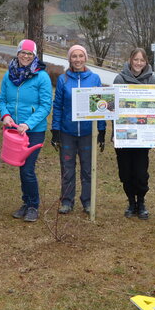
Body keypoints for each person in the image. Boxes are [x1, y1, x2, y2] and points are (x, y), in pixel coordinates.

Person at [0, 39, 53, 222]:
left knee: (28, 168)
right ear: (18, 53)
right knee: (21, 168)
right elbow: (2, 100)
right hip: (14, 129)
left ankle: (33, 206)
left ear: (34, 55)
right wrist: (5, 115)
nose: (26, 56)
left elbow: (46, 106)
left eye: (30, 54)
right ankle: (26, 202)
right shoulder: (9, 75)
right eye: (23, 52)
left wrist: (28, 124)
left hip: (34, 130)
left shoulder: (42, 76)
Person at [51, 44, 106, 214]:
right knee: (67, 168)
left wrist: (102, 131)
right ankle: (67, 201)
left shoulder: (95, 78)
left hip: (88, 133)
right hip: (67, 132)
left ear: (85, 58)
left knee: (88, 169)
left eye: (80, 56)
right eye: (74, 56)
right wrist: (55, 130)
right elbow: (58, 106)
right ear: (69, 59)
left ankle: (88, 201)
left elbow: (100, 106)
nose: (77, 59)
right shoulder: (63, 79)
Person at [113, 48, 155, 220]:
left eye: (142, 60)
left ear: (146, 62)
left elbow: (153, 108)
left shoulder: (151, 80)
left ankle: (141, 202)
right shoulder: (119, 79)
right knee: (125, 171)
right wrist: (115, 133)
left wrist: (153, 132)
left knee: (140, 172)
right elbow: (115, 109)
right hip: (124, 134)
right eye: (135, 59)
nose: (138, 63)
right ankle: (131, 202)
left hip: (142, 136)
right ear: (130, 60)